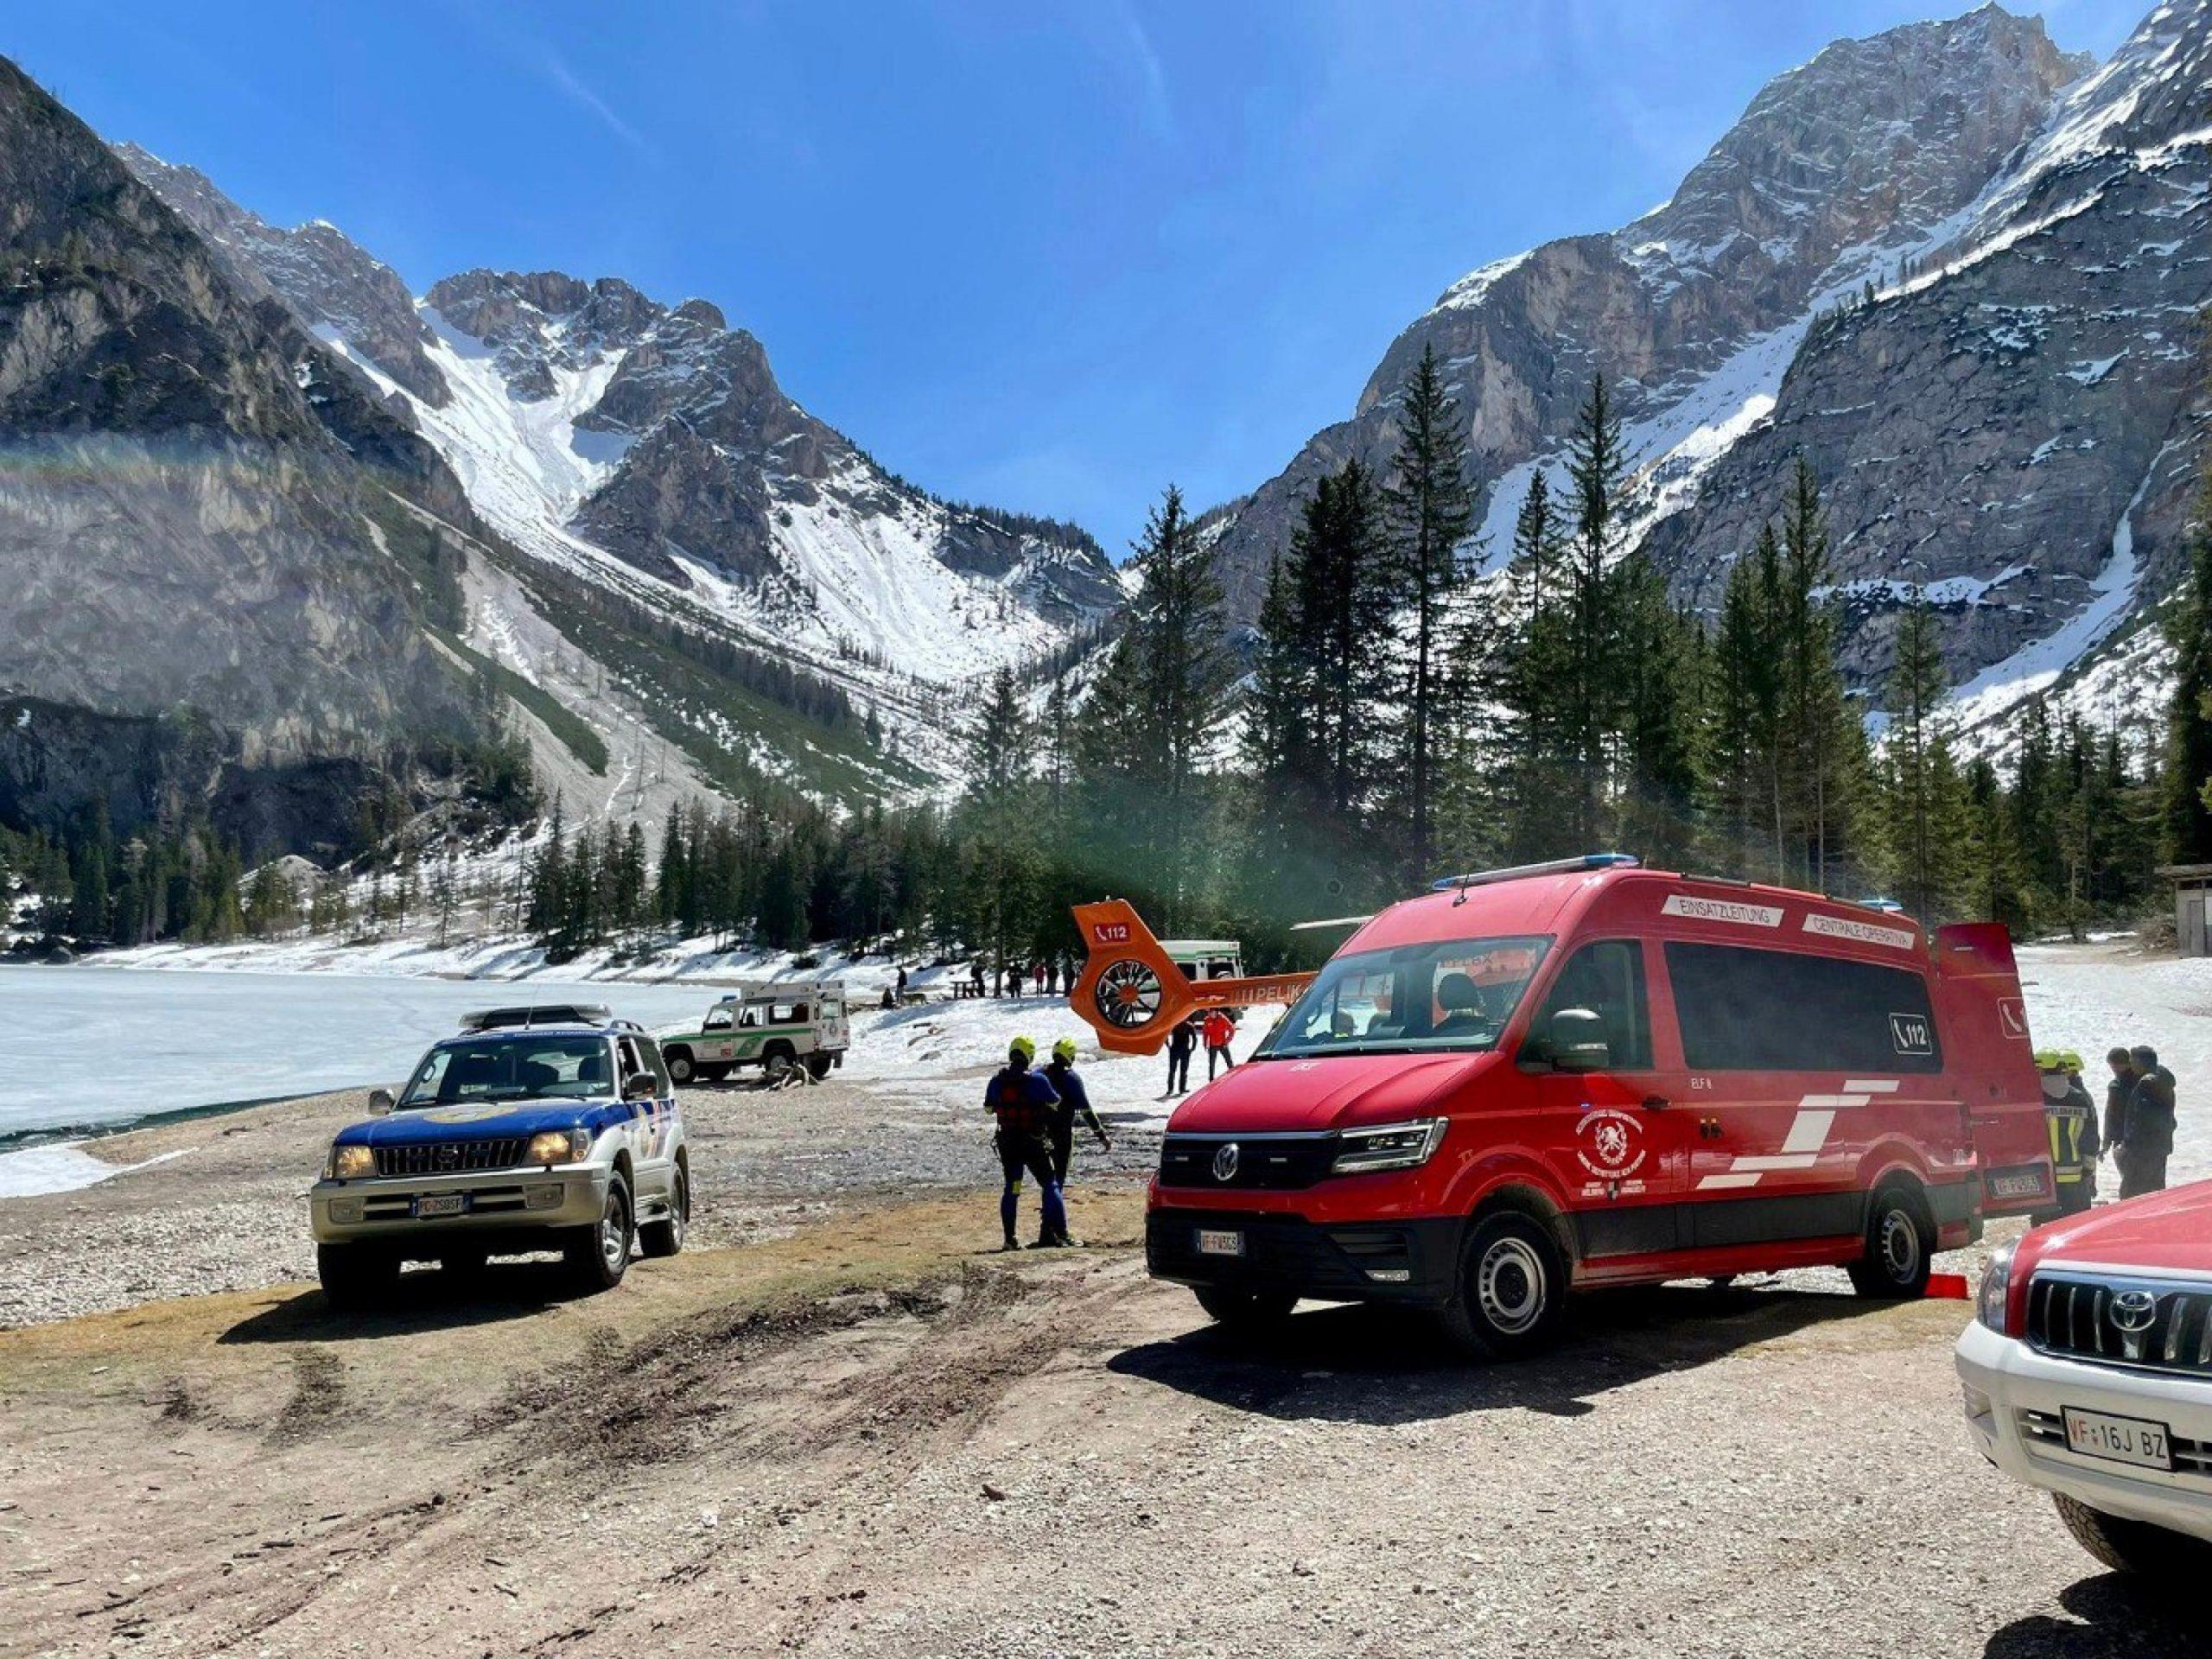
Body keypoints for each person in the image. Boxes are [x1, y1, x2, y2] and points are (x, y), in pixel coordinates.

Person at [985, 1036, 1068, 1251]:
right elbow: (1055, 1102)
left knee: (1012, 1188)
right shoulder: (1037, 1081)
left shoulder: (997, 1081)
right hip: (1032, 1142)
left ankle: (1010, 1239)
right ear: (1029, 1056)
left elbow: (988, 1109)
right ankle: (1059, 1233)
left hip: (1008, 1143)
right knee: (1050, 1183)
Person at [2031, 1050, 2100, 1224]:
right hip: (2075, 1174)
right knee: (2077, 1225)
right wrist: (2089, 1170)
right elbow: (2091, 1137)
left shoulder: (2034, 1098)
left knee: (2044, 1231)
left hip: (2042, 1176)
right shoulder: (2079, 1097)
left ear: (2039, 1070)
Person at [1043, 1037, 1110, 1190]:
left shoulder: (1040, 1074)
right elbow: (1086, 1111)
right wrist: (1101, 1136)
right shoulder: (1072, 1079)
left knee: (1046, 1174)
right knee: (1059, 1174)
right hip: (1062, 1133)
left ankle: (1048, 1203)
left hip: (1040, 1132)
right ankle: (1054, 1208)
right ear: (1070, 1056)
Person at [2117, 1043, 2176, 1199]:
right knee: (2155, 1191)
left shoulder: (2147, 1083)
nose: (2130, 1065)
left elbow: (2141, 1118)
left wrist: (2127, 1144)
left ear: (2140, 1062)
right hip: (2160, 1147)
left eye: (2132, 1061)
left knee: (2131, 1193)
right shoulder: (2164, 1079)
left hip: (2142, 1149)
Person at [1166, 1014, 1198, 1097]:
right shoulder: (1186, 1025)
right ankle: (1177, 1089)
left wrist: (1168, 1045)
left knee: (1175, 1071)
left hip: (1177, 1050)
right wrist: (1192, 1048)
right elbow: (1194, 1038)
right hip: (1181, 1050)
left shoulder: (1175, 1024)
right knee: (1179, 1071)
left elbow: (1165, 1034)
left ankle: (1173, 1089)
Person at [1203, 1007, 1236, 1079]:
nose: (1211, 1014)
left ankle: (1234, 1077)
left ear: (1216, 1012)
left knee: (1229, 1062)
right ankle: (1211, 1080)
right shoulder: (1207, 1020)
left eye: (1213, 1013)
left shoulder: (1223, 1019)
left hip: (1222, 1045)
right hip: (1212, 1045)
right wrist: (1205, 1044)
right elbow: (1205, 1033)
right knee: (1211, 1064)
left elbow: (1232, 1030)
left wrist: (1227, 1042)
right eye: (1210, 1013)